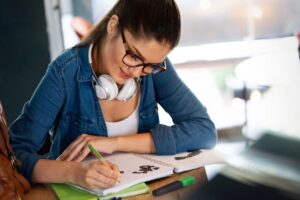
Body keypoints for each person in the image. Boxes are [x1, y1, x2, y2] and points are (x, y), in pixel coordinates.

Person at [10, 0, 217, 190]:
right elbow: (16, 154)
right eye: (134, 56)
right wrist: (73, 173)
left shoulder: (151, 68)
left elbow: (204, 130)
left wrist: (115, 142)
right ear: (113, 26)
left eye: (150, 66)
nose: (137, 73)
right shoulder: (64, 73)